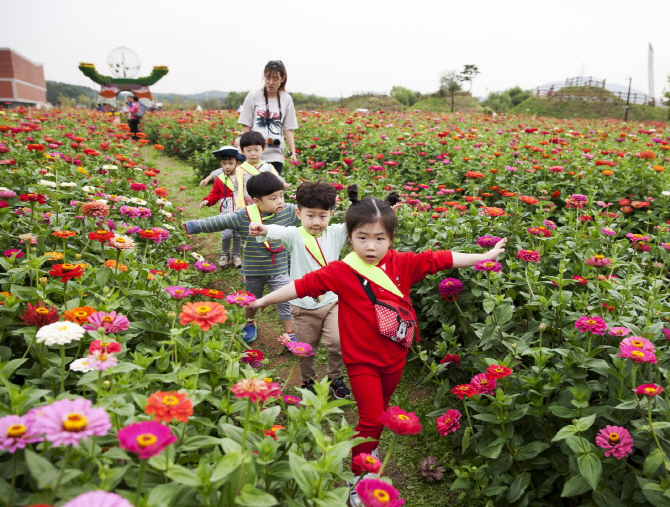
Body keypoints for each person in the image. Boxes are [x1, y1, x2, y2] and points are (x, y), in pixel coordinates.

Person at [248, 185, 507, 506]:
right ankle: (360, 476)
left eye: (379, 239)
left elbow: (441, 259)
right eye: (362, 238)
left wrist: (485, 256)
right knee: (370, 419)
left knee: (380, 412)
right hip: (362, 362)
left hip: (395, 356)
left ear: (391, 239)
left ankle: (368, 451)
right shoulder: (342, 271)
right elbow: (299, 287)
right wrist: (262, 300)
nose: (371, 247)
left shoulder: (404, 264)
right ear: (350, 237)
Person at [248, 180, 350, 399]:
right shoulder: (294, 235)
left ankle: (335, 377)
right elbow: (277, 231)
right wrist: (263, 228)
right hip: (302, 306)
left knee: (337, 342)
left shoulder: (336, 233)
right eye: (310, 215)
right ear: (298, 212)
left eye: (323, 216)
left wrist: (384, 211)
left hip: (332, 301)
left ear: (332, 213)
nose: (316, 222)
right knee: (306, 348)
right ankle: (308, 379)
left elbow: (360, 222)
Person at [183, 172, 298, 343]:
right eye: (273, 198)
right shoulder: (244, 215)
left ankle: (291, 334)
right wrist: (192, 226)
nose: (280, 201)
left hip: (279, 268)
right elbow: (219, 221)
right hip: (253, 270)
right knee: (251, 299)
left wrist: (327, 206)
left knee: (284, 300)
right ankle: (249, 322)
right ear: (257, 201)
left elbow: (310, 213)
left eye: (281, 196)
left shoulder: (289, 212)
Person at [238, 60, 298, 176]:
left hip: (275, 153)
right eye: (267, 77)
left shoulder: (286, 99)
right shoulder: (253, 96)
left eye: (275, 79)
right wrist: (240, 150)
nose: (270, 82)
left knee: (272, 189)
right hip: (253, 153)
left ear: (282, 78)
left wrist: (292, 152)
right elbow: (246, 125)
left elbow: (288, 128)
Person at [200, 146, 244, 268]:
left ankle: (236, 255)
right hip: (226, 212)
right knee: (227, 234)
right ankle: (225, 254)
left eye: (231, 163)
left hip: (240, 211)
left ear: (238, 163)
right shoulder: (219, 179)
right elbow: (214, 194)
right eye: (224, 164)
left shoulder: (243, 177)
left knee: (237, 235)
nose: (227, 166)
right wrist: (207, 201)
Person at [233, 131, 287, 209]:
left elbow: (276, 179)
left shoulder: (268, 167)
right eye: (249, 150)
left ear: (263, 149)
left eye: (256, 150)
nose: (253, 153)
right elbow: (236, 188)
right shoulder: (240, 170)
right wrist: (237, 202)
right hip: (248, 205)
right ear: (242, 151)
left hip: (266, 204)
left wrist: (283, 182)